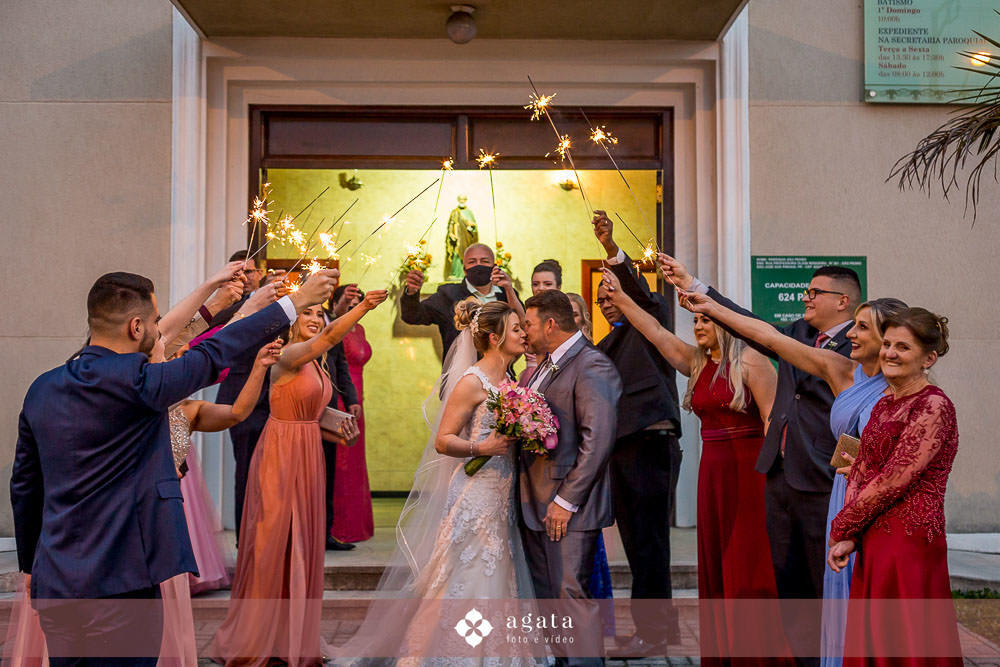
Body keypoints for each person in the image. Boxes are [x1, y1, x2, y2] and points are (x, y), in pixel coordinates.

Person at [10, 267, 338, 665]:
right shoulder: (143, 384)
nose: (158, 329)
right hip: (123, 583)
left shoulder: (42, 388)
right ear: (136, 327)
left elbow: (25, 487)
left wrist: (31, 566)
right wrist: (295, 302)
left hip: (56, 582)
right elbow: (214, 352)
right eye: (154, 321)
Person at [677, 290, 908, 667]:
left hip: (878, 504)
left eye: (862, 328)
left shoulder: (915, 395)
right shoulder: (842, 370)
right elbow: (770, 338)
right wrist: (708, 302)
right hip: (843, 492)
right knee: (818, 594)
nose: (851, 333)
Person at [661, 254, 860, 663]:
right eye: (806, 290)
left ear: (843, 301)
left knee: (822, 580)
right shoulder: (801, 333)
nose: (806, 297)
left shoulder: (858, 345)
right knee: (789, 583)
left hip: (823, 476)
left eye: (815, 292)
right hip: (782, 474)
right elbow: (751, 325)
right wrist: (696, 287)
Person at [338, 299, 538, 662]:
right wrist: (483, 447)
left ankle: (493, 653)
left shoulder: (509, 381)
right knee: (467, 572)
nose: (524, 334)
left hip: (502, 492)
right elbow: (443, 440)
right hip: (475, 495)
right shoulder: (471, 382)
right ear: (494, 338)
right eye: (516, 329)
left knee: (497, 571)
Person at [603, 267, 780, 665]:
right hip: (712, 473)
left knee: (746, 561)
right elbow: (654, 331)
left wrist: (773, 481)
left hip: (750, 472)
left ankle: (757, 651)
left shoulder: (752, 362)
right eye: (696, 320)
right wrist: (622, 298)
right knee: (717, 558)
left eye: (706, 320)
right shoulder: (697, 362)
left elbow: (772, 421)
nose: (698, 326)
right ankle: (724, 650)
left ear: (725, 323)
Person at [209, 289, 387, 666]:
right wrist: (362, 307)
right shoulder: (288, 356)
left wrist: (340, 430)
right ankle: (256, 637)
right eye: (307, 312)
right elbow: (330, 337)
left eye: (319, 313)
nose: (315, 319)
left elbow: (309, 417)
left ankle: (290, 636)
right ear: (290, 320)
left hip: (306, 455)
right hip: (279, 456)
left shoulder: (318, 364)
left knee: (301, 545)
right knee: (272, 545)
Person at [828, 308, 961, 667]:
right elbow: (864, 470)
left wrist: (842, 525)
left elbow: (895, 478)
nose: (889, 353)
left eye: (903, 347)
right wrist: (852, 537)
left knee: (905, 640)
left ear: (928, 358)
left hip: (910, 543)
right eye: (887, 344)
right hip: (875, 540)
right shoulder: (884, 404)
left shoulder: (933, 405)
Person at [590, 214, 683, 656]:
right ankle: (661, 628)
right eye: (600, 299)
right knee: (638, 544)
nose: (606, 303)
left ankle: (654, 633)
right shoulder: (606, 345)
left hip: (650, 445)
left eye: (611, 294)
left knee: (649, 544)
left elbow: (641, 297)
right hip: (623, 450)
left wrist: (612, 250)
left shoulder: (651, 321)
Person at [520, 289, 623, 666]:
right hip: (536, 501)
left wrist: (565, 501)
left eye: (528, 324)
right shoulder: (547, 364)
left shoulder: (592, 365)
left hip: (568, 507)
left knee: (571, 596)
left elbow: (598, 440)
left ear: (550, 324)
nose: (524, 332)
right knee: (549, 598)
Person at [401, 242, 522, 360]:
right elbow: (412, 316)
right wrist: (411, 292)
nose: (478, 266)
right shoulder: (447, 295)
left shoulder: (506, 294)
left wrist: (509, 289)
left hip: (502, 369)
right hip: (461, 370)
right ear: (464, 269)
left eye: (484, 261)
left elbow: (523, 325)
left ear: (495, 267)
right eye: (472, 262)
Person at [325, 283, 374, 547]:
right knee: (340, 463)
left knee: (354, 463)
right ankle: (336, 528)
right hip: (339, 396)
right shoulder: (335, 327)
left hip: (357, 399)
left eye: (358, 304)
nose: (354, 308)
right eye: (349, 304)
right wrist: (340, 308)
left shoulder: (360, 329)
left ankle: (355, 525)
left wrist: (356, 399)